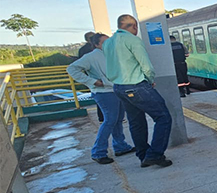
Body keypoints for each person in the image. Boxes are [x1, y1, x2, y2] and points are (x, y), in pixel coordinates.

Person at [104, 14, 173, 168]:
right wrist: (149, 81)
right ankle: (155, 154)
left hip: (119, 87)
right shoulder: (133, 40)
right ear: (134, 26)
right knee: (163, 117)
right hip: (136, 85)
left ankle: (143, 156)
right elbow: (146, 66)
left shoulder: (108, 43)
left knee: (136, 123)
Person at [67, 32, 135, 164]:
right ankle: (98, 151)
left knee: (118, 120)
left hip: (116, 89)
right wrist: (92, 81)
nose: (108, 44)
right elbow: (72, 69)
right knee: (110, 120)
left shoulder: (112, 54)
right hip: (103, 92)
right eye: (104, 42)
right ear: (96, 44)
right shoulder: (91, 57)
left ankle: (120, 146)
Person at [79, 31, 103, 122]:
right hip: (97, 78)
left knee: (99, 99)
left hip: (92, 78)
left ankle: (102, 118)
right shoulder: (92, 51)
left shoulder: (83, 50)